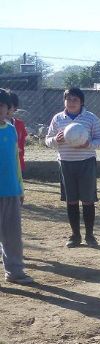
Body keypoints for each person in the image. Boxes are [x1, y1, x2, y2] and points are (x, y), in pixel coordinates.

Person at [45, 87, 100, 248]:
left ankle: (90, 236)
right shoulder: (58, 118)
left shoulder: (90, 118)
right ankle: (75, 236)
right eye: (68, 99)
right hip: (66, 163)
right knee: (71, 200)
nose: (71, 102)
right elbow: (47, 140)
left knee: (88, 200)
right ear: (64, 101)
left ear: (81, 102)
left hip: (86, 162)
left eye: (75, 100)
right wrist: (55, 140)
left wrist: (88, 144)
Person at [0, 89, 33, 285]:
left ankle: (15, 271)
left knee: (12, 235)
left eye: (1, 105)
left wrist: (20, 187)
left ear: (8, 108)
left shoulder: (11, 130)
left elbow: (15, 161)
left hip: (11, 190)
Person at [8, 92, 26, 172]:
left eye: (9, 106)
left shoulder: (19, 125)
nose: (5, 109)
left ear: (15, 107)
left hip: (16, 165)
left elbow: (21, 146)